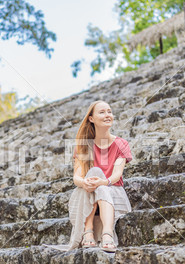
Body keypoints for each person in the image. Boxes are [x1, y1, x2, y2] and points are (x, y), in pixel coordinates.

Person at [43, 100, 133, 252]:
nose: (107, 115)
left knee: (100, 182)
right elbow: (77, 177)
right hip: (89, 194)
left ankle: (95, 233)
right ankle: (98, 233)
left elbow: (117, 175)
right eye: (102, 112)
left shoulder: (121, 144)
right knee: (93, 174)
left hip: (114, 193)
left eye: (109, 111)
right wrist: (85, 183)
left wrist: (103, 182)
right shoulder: (84, 146)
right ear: (91, 118)